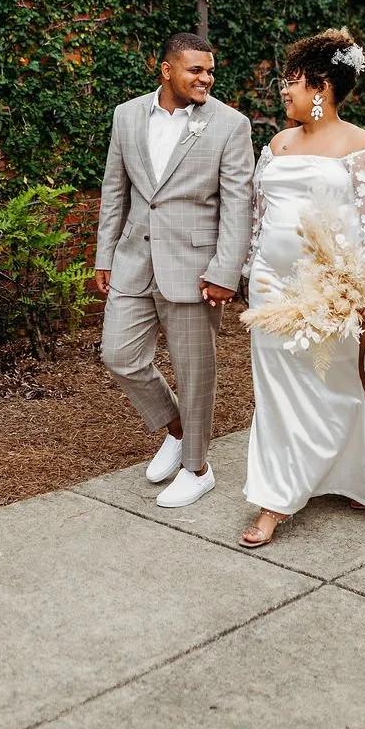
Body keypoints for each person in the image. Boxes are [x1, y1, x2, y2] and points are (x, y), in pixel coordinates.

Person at [241, 28, 365, 548]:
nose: (282, 92)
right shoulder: (277, 144)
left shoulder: (360, 147)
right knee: (275, 393)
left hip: (330, 288)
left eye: (290, 82)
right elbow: (258, 217)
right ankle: (275, 499)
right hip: (272, 287)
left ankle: (353, 475)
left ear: (320, 87)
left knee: (334, 387)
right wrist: (251, 274)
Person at [95, 33, 255, 508]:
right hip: (133, 261)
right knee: (118, 355)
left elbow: (238, 204)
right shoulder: (127, 115)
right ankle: (177, 428)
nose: (206, 78)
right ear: (166, 70)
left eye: (210, 71)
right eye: (195, 70)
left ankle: (197, 467)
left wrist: (227, 270)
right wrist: (105, 255)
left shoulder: (230, 124)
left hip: (195, 268)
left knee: (195, 373)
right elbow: (114, 191)